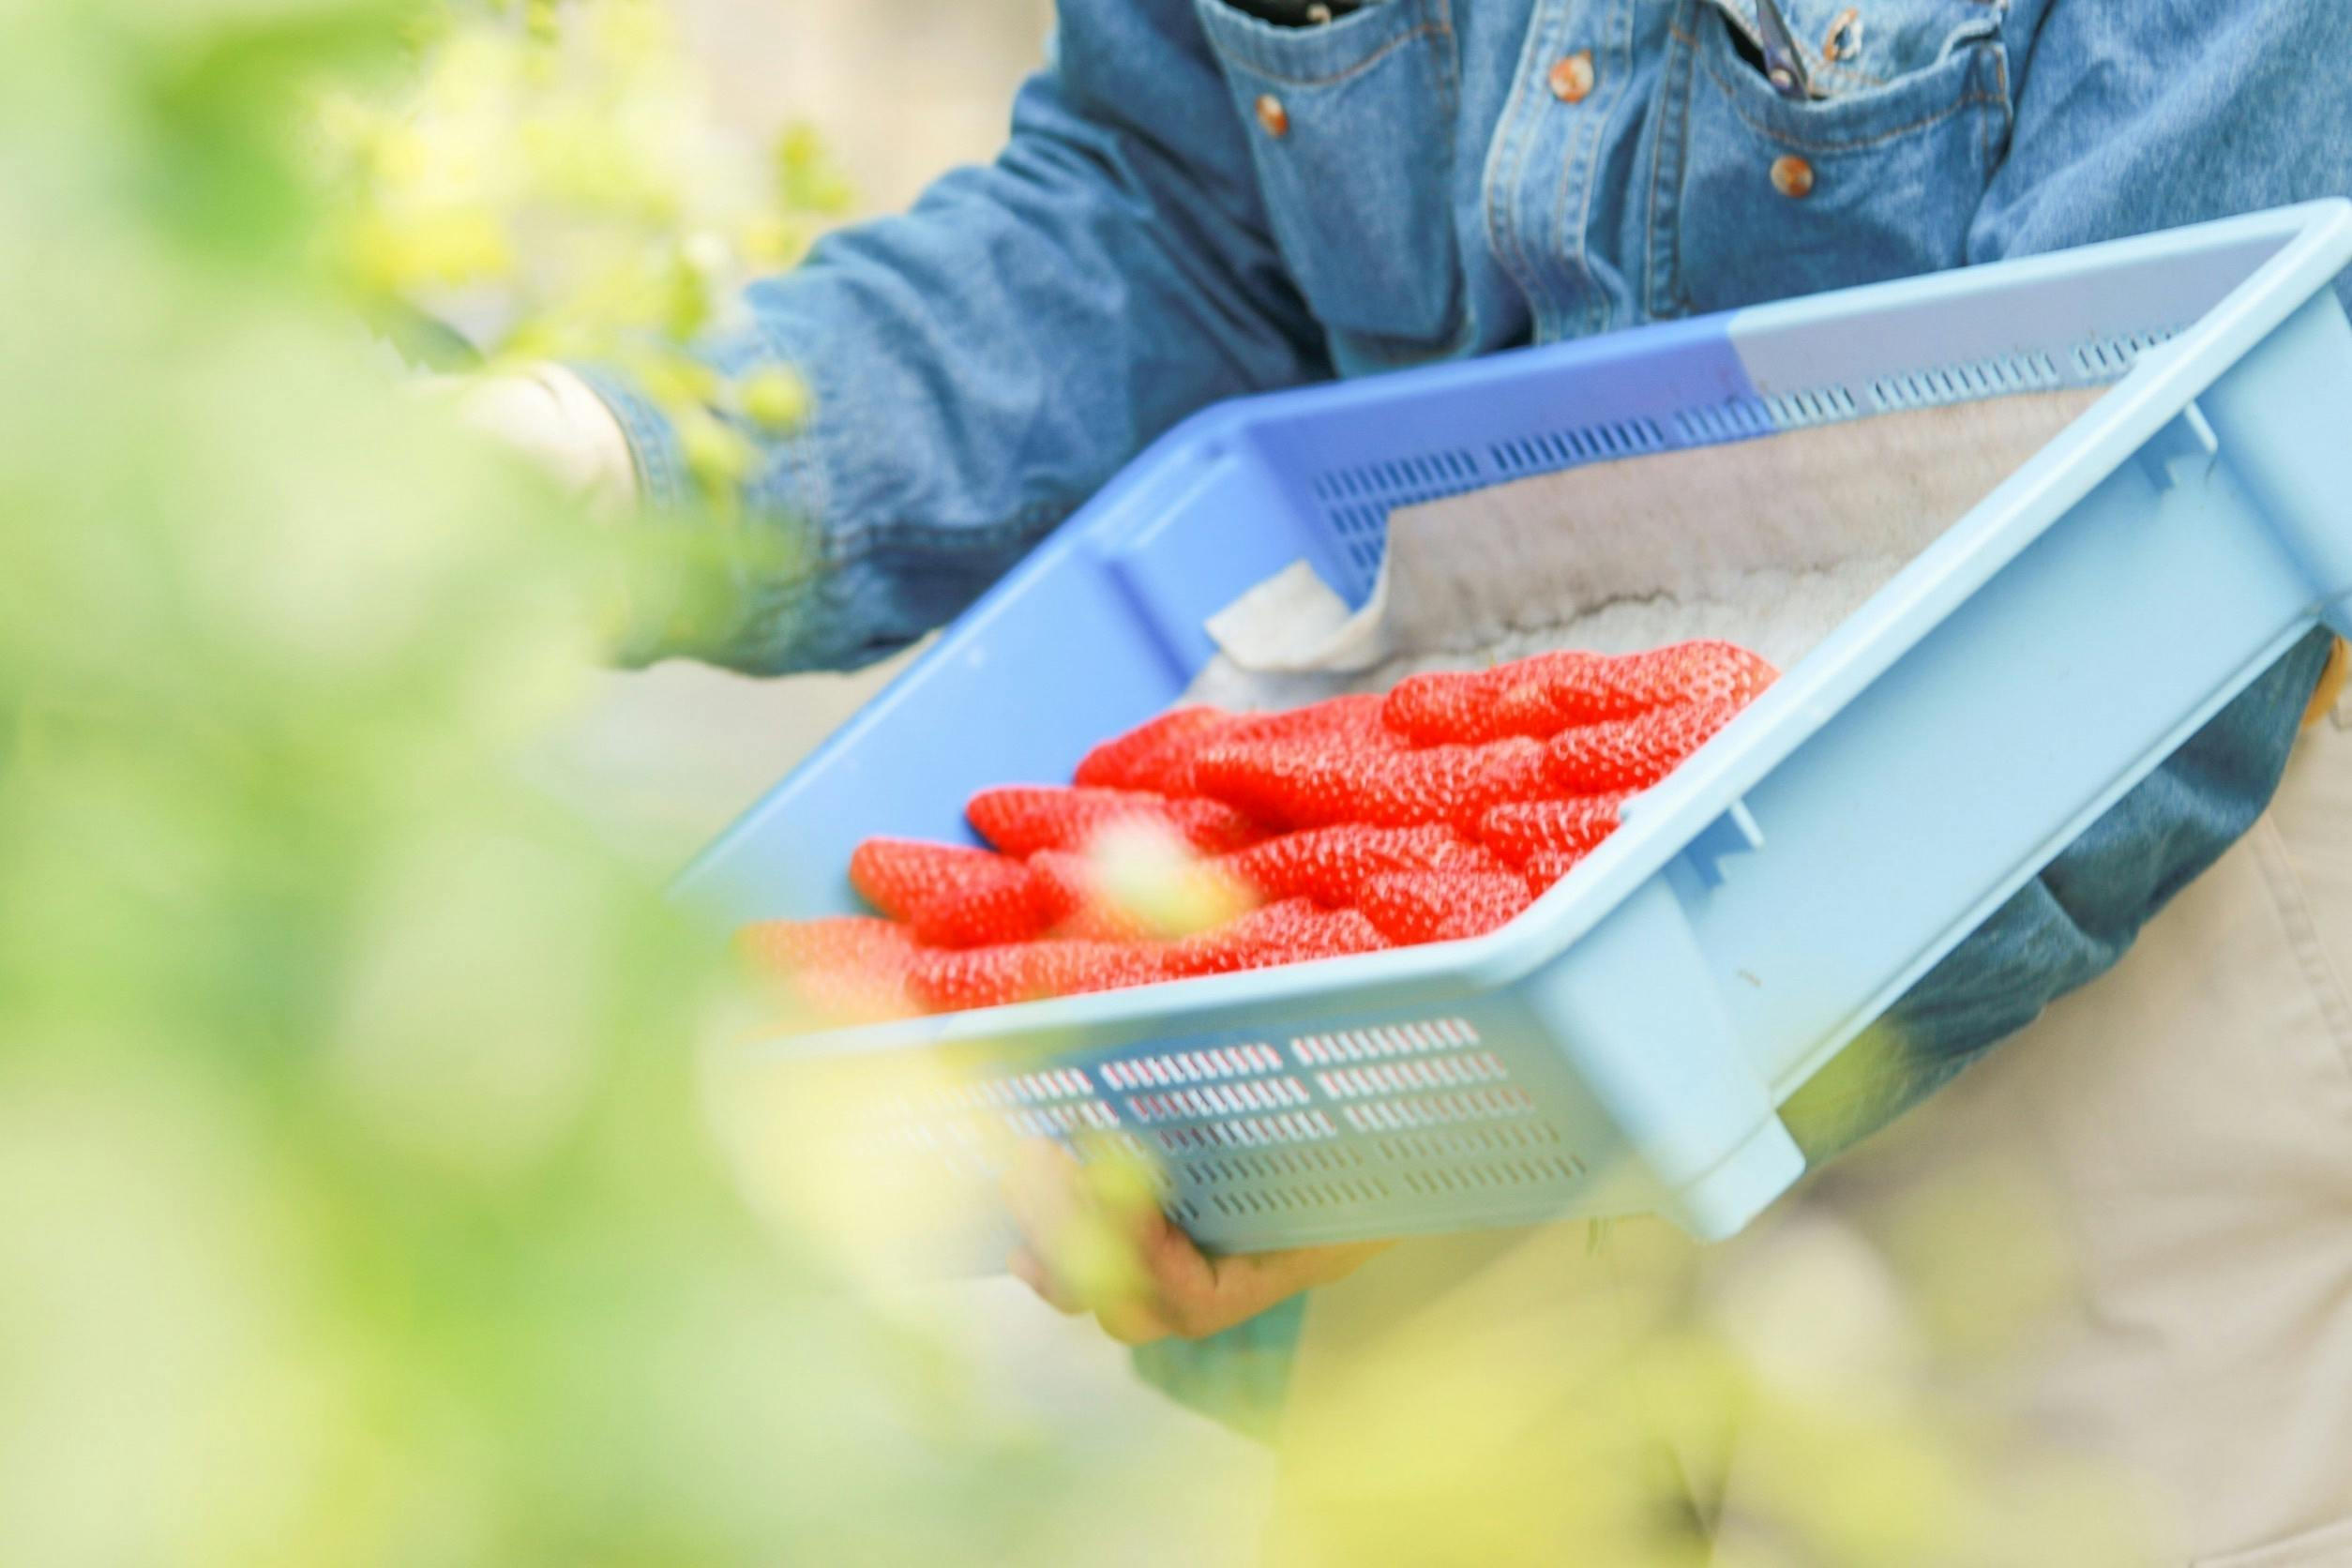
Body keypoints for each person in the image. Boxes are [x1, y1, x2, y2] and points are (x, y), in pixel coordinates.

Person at [475, 2, 2352, 1556]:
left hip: (2067, 961)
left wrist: (1491, 1110)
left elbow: (2141, 535)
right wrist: (617, 465)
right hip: (1446, 941)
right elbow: (1167, 220)